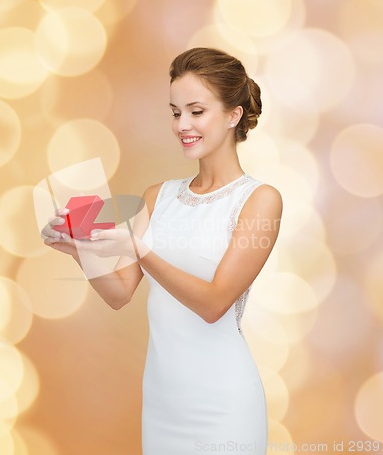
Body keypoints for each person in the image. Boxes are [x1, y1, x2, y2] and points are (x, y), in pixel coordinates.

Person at [41, 47, 282, 455]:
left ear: (233, 115)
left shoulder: (259, 200)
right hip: (162, 405)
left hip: (224, 405)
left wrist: (139, 249)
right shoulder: (158, 197)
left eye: (196, 111)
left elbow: (214, 304)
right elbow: (119, 294)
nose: (182, 125)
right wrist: (78, 249)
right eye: (175, 113)